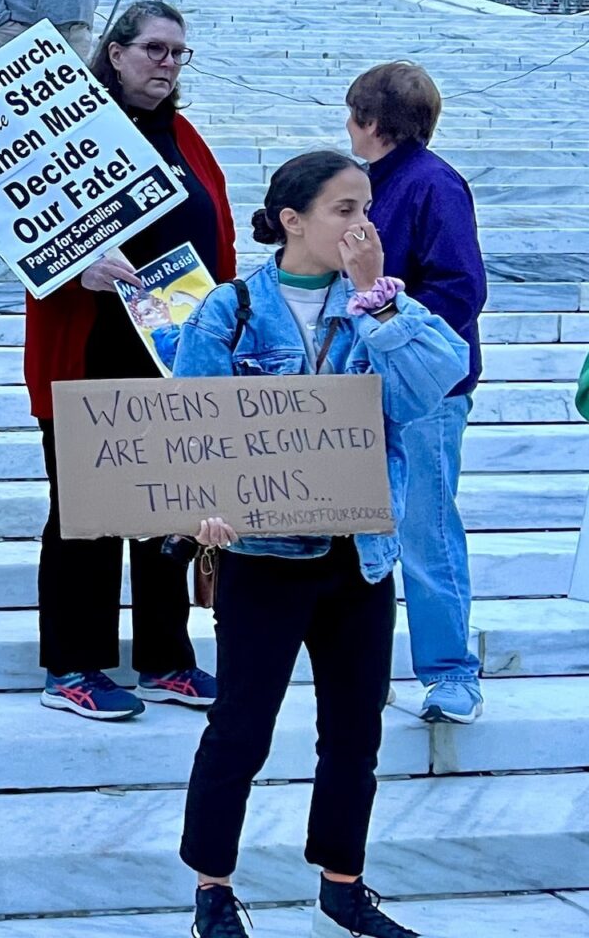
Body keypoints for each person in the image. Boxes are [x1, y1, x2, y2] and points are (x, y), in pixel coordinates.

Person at [174, 150, 467, 938]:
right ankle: (212, 887)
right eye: (344, 209)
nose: (361, 224)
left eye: (366, 208)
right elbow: (191, 429)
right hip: (263, 558)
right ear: (293, 219)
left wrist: (378, 303)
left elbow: (439, 377)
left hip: (359, 553)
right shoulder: (230, 309)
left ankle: (342, 883)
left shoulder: (379, 305)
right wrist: (204, 508)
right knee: (241, 725)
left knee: (354, 729)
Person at [25, 0, 235, 720]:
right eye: (154, 49)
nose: (168, 63)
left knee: (170, 510)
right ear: (115, 53)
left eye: (179, 53)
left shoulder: (185, 136)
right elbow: (28, 238)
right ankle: (72, 667)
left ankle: (164, 660)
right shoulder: (70, 133)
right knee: (86, 514)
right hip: (89, 352)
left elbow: (219, 238)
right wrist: (70, 269)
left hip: (174, 357)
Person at [347, 62, 486, 726]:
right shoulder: (368, 187)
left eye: (352, 115)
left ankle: (452, 671)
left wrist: (396, 327)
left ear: (372, 123)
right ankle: (367, 670)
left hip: (427, 391)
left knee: (426, 530)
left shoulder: (434, 184)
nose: (348, 127)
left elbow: (462, 289)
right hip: (365, 386)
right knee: (365, 534)